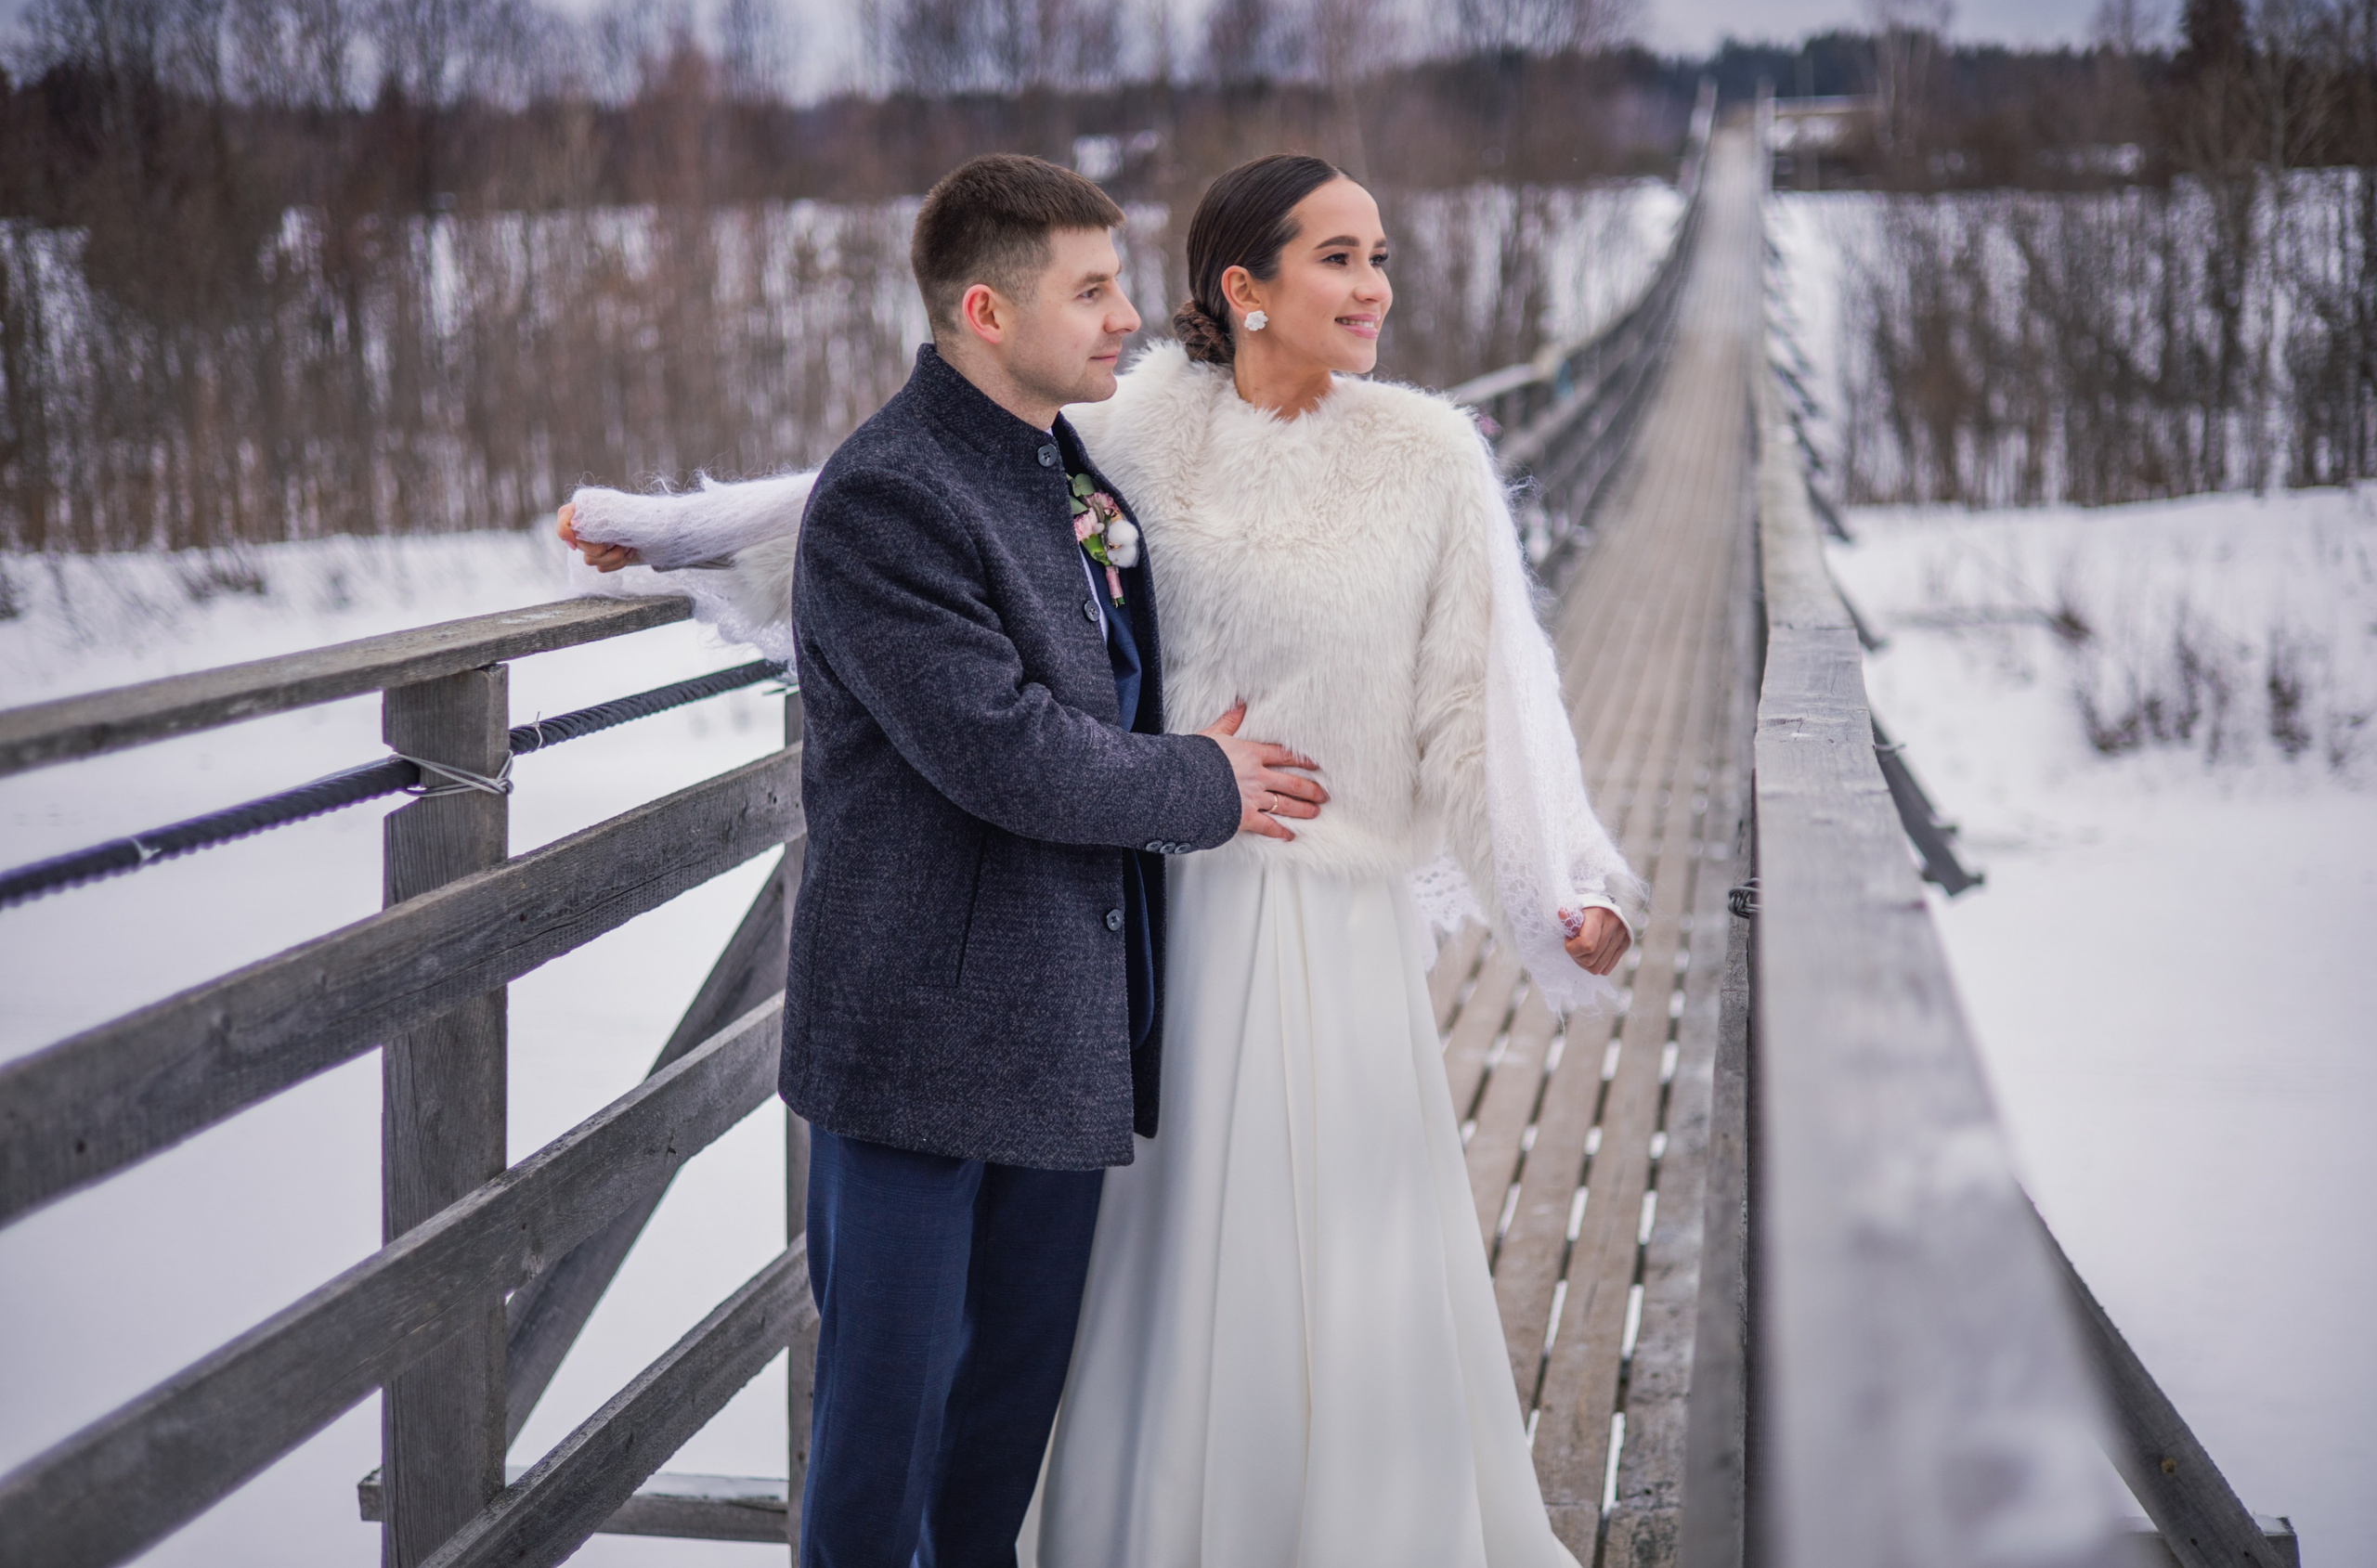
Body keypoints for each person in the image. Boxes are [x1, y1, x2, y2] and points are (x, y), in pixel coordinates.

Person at [563, 153, 1640, 1565]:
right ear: (1243, 290)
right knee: (997, 1351)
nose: (1376, 286)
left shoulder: (1413, 458)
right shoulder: (1120, 434)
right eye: (1340, 257)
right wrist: (666, 529)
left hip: (1259, 946)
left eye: (1382, 257)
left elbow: (1482, 699)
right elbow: (883, 510)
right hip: (1124, 923)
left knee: (1164, 1324)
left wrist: (1555, 885)